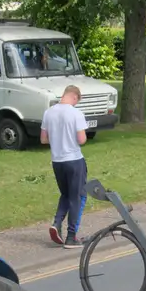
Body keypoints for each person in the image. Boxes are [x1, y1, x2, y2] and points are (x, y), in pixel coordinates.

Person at [41, 85, 89, 248]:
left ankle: (57, 222)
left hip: (57, 161)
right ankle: (71, 236)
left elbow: (43, 139)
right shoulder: (76, 113)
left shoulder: (49, 112)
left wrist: (57, 139)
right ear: (75, 97)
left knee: (66, 194)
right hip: (74, 159)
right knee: (78, 196)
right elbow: (82, 139)